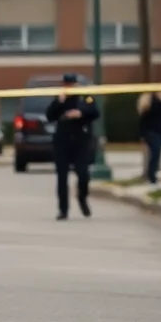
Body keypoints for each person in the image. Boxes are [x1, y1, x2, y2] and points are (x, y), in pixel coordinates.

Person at [45, 73, 100, 221]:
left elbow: (95, 111)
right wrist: (59, 102)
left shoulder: (84, 96)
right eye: (66, 84)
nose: (69, 86)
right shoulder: (60, 97)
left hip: (81, 140)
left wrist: (80, 113)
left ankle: (82, 198)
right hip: (62, 140)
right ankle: (63, 210)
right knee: (62, 177)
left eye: (71, 84)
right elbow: (49, 116)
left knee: (83, 173)